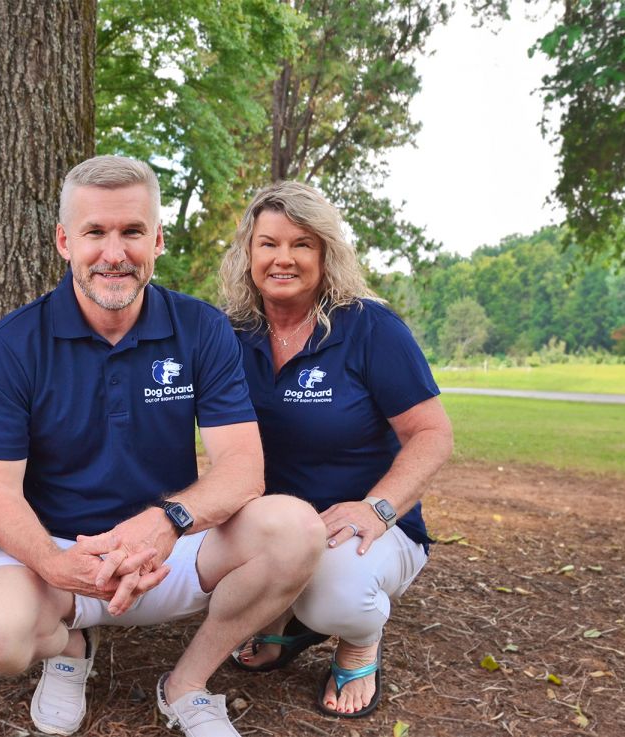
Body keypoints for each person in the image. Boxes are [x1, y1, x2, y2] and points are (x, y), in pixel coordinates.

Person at [0, 155, 327, 737]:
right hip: (59, 550)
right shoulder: (13, 342)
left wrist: (168, 521)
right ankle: (71, 647)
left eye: (132, 232)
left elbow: (243, 470)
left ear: (156, 240)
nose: (114, 253)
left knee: (297, 528)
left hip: (171, 549)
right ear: (64, 241)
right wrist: (57, 563)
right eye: (95, 233)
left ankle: (187, 684)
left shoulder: (201, 328)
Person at [219, 181, 453, 718]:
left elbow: (432, 434)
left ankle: (359, 642)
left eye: (302, 244)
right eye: (268, 243)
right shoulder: (231, 333)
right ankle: (285, 623)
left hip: (367, 526)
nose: (283, 258)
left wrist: (379, 508)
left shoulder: (370, 327)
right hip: (276, 527)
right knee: (203, 577)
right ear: (248, 254)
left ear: (326, 254)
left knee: (335, 595)